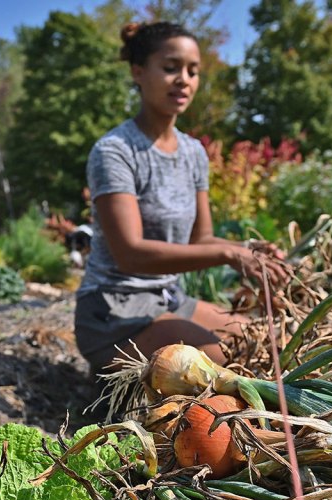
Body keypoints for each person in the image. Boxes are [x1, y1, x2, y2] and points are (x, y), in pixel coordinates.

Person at [74, 21, 289, 375]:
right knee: (219, 364)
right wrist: (228, 254)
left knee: (261, 345)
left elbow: (199, 240)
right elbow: (130, 253)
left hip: (167, 299)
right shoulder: (115, 151)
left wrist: (250, 252)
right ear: (138, 72)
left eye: (193, 71)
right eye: (171, 68)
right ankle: (117, 377)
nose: (184, 79)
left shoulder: (192, 153)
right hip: (113, 311)